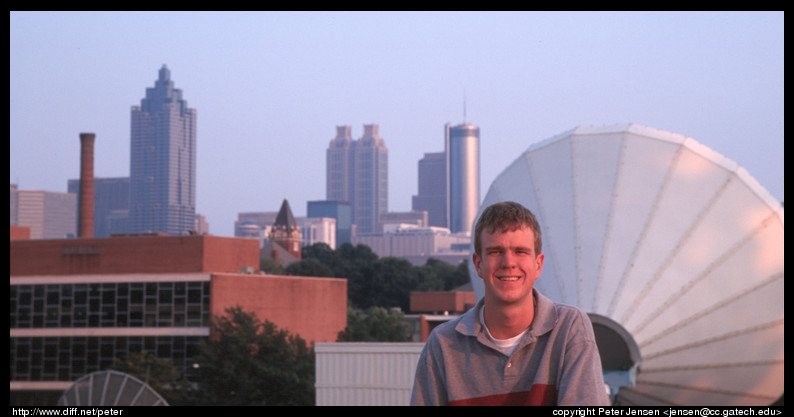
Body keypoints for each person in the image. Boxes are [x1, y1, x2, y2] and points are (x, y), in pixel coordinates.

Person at [411, 201, 609, 406]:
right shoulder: (443, 344)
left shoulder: (568, 328)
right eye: (496, 251)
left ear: (538, 264)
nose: (508, 263)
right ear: (478, 264)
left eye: (521, 251)